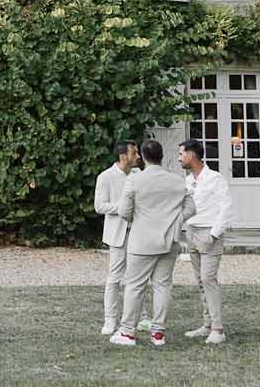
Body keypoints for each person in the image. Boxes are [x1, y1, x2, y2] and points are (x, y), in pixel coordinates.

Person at [109, 138, 195, 348]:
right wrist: (175, 221)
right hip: (169, 240)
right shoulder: (177, 181)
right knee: (162, 285)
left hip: (142, 240)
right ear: (161, 156)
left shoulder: (135, 181)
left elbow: (123, 211)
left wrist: (136, 219)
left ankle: (128, 332)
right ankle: (158, 333)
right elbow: (191, 208)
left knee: (135, 286)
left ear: (144, 158)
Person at [177, 140, 231, 345]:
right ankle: (207, 325)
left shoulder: (216, 179)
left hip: (210, 234)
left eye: (181, 153)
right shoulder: (188, 181)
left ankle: (218, 329)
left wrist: (214, 235)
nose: (179, 157)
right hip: (192, 232)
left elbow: (226, 209)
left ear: (192, 155)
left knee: (209, 279)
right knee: (200, 280)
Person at [94, 141, 138, 338]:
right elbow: (100, 206)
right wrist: (122, 208)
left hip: (138, 232)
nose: (137, 156)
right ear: (123, 157)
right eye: (134, 153)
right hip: (117, 233)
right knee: (114, 278)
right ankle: (110, 318)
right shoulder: (106, 177)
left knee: (136, 277)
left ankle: (138, 317)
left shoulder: (138, 175)